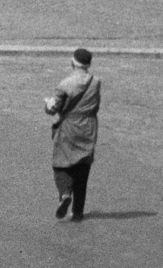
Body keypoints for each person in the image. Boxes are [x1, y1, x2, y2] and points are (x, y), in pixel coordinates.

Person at [44, 47, 101, 220]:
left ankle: (65, 193)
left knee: (61, 163)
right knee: (83, 167)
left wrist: (48, 104)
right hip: (89, 126)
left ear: (73, 63)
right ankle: (78, 211)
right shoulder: (96, 81)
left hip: (69, 126)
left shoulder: (65, 84)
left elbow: (53, 109)